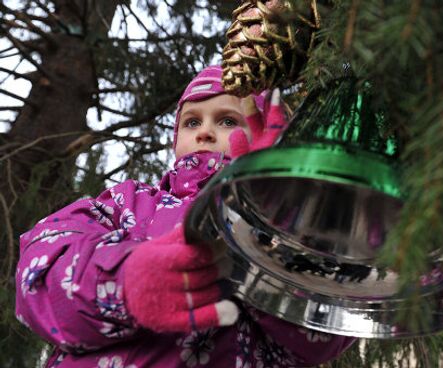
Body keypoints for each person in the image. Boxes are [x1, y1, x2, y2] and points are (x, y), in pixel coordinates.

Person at [15, 66, 355, 367]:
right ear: (175, 140)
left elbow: (324, 331)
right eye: (192, 121)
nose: (205, 131)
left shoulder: (295, 224)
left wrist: (266, 219)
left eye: (227, 120)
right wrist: (122, 281)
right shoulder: (130, 202)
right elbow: (42, 268)